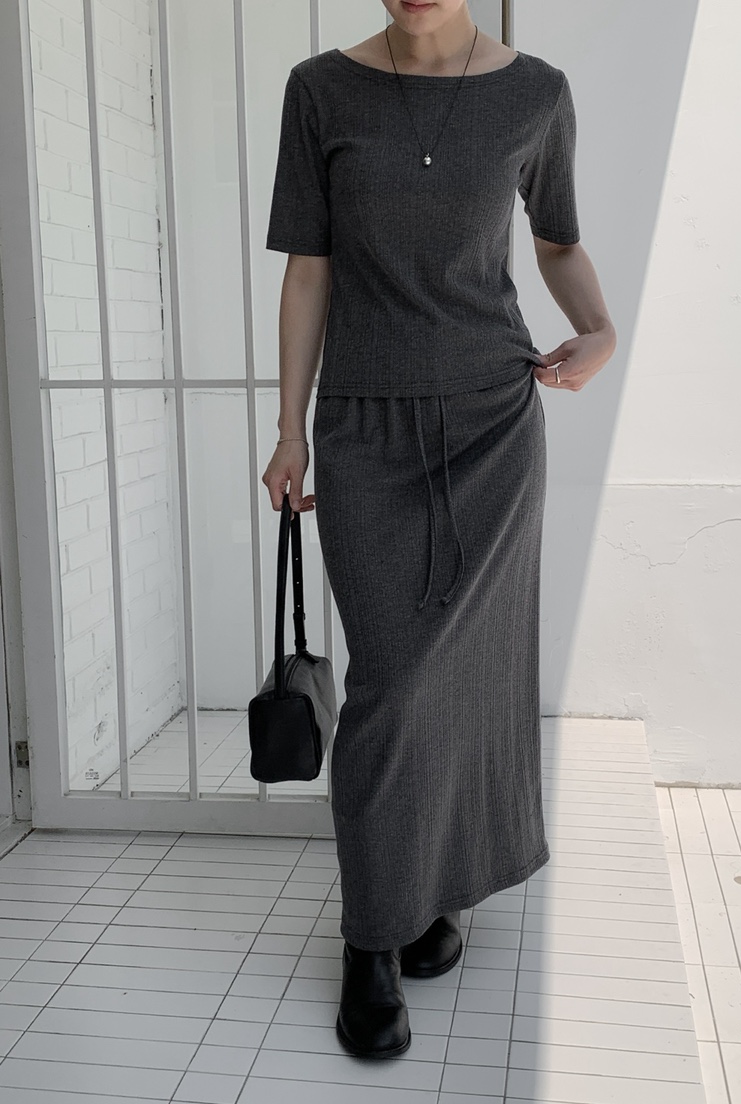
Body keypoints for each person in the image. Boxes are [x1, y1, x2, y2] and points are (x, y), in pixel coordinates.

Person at [261, 0, 616, 1061]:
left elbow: (558, 242)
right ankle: (372, 937)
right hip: (364, 428)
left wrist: (600, 328)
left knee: (469, 675)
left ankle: (438, 887)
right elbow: (309, 269)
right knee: (394, 680)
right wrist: (289, 430)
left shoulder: (536, 93)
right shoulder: (319, 90)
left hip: (492, 426)